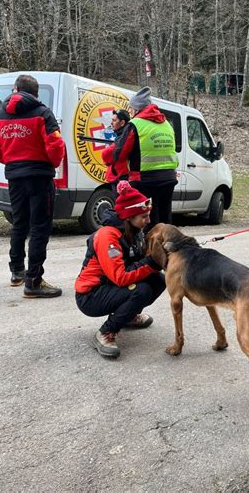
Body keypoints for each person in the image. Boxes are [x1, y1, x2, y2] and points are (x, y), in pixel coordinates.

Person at [0, 74, 65, 298]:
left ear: (15, 89)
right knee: (40, 227)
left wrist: (12, 159)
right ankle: (34, 281)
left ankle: (17, 272)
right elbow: (56, 145)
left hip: (15, 177)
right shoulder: (43, 113)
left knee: (20, 223)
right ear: (35, 93)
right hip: (39, 176)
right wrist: (50, 163)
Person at [75, 180, 166, 358]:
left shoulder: (134, 231)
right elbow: (120, 276)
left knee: (159, 280)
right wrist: (151, 263)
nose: (148, 221)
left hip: (109, 287)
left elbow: (140, 262)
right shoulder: (107, 236)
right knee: (141, 290)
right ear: (129, 217)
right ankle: (106, 332)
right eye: (144, 217)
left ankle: (128, 316)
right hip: (91, 295)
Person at [112, 86, 178, 230]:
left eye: (131, 109)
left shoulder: (135, 124)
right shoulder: (166, 124)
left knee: (148, 220)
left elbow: (119, 153)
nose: (131, 112)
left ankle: (150, 250)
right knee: (166, 219)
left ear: (137, 109)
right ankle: (168, 248)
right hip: (168, 178)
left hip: (145, 179)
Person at [102, 108, 130, 194]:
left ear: (122, 123)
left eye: (114, 120)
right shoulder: (123, 134)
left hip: (120, 178)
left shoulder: (124, 136)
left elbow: (106, 154)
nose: (111, 123)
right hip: (119, 177)